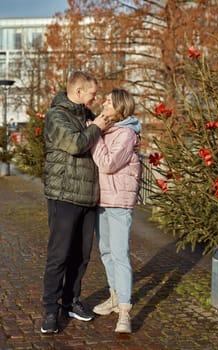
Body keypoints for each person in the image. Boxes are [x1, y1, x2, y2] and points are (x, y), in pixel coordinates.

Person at [41, 71, 113, 334]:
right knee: (59, 255)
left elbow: (105, 134)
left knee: (82, 256)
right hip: (64, 195)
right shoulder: (56, 116)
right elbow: (74, 144)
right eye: (92, 94)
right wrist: (96, 127)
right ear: (79, 91)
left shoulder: (86, 114)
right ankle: (51, 310)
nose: (95, 98)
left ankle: (71, 302)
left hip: (88, 196)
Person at [90, 89, 141, 333]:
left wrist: (95, 135)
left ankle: (124, 312)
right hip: (102, 200)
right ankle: (113, 296)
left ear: (120, 108)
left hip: (119, 203)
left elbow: (109, 164)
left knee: (120, 255)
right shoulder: (110, 130)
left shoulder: (127, 133)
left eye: (109, 101)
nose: (103, 103)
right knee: (106, 252)